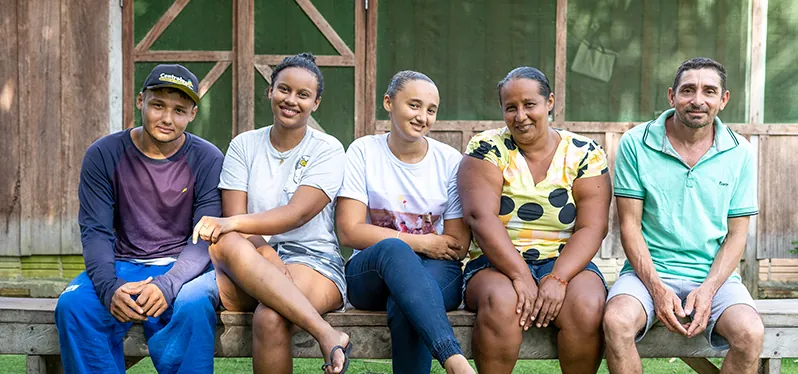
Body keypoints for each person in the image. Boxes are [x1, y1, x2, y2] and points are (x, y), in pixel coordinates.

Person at [55, 64, 223, 373]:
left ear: (192, 114)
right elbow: (95, 231)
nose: (167, 118)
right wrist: (109, 287)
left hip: (183, 267)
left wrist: (166, 285)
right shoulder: (104, 154)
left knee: (194, 304)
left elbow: (203, 239)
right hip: (122, 263)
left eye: (179, 110)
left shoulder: (208, 158)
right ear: (140, 101)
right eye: (158, 105)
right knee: (74, 306)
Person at [191, 53, 351, 374]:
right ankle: (327, 333)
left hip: (313, 261)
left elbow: (296, 214)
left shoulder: (327, 149)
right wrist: (266, 253)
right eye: (284, 89)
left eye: (303, 94)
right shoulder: (244, 145)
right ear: (270, 91)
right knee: (223, 242)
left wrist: (232, 224)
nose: (291, 100)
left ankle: (325, 333)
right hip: (250, 261)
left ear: (316, 103)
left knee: (270, 316)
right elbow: (235, 220)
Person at [603, 57, 763, 374]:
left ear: (723, 99)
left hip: (715, 277)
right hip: (646, 274)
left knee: (750, 333)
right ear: (671, 96)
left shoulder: (740, 152)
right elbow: (630, 227)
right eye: (688, 90)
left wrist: (708, 290)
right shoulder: (636, 143)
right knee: (616, 322)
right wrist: (657, 288)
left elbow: (737, 235)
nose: (697, 100)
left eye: (709, 91)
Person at [458, 67, 611, 374]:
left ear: (549, 102)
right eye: (510, 108)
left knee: (586, 305)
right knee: (503, 301)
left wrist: (558, 278)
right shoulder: (487, 148)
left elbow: (592, 226)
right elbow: (480, 217)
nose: (520, 116)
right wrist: (520, 275)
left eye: (529, 105)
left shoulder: (584, 153)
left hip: (565, 261)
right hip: (496, 263)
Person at [336, 70, 475, 374]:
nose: (422, 117)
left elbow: (456, 245)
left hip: (437, 270)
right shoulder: (363, 151)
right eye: (414, 105)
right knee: (394, 249)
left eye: (431, 110)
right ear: (388, 102)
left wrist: (413, 247)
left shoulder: (449, 161)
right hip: (371, 273)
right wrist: (422, 242)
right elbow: (349, 230)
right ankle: (453, 359)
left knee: (406, 301)